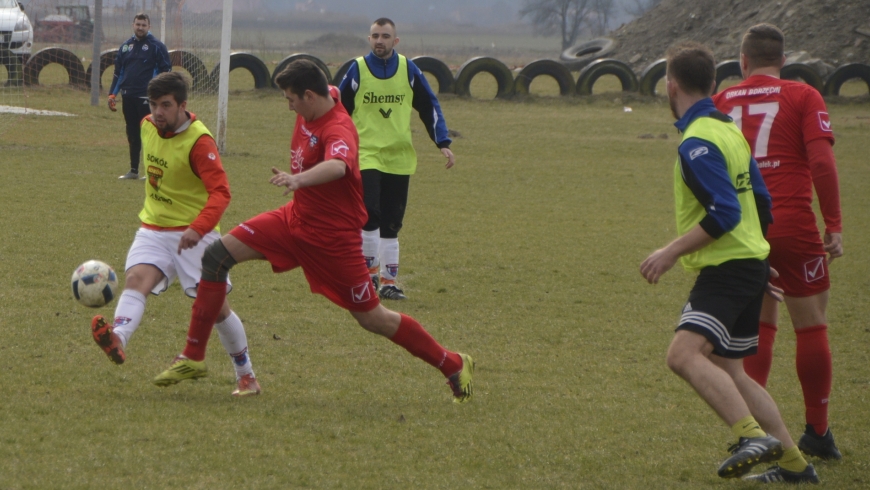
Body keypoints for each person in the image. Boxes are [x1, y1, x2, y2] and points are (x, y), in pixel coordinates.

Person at [151, 60, 474, 404]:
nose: (288, 105)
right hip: (294, 220)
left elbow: (337, 165)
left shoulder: (338, 129)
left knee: (373, 318)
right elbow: (328, 88)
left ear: (308, 95)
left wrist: (298, 180)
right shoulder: (324, 97)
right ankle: (193, 356)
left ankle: (452, 363)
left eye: (291, 99)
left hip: (332, 240)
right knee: (216, 257)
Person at [640, 41, 818, 483]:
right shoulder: (728, 131)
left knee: (683, 355)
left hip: (727, 267)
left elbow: (726, 211)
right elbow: (761, 198)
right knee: (729, 369)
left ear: (671, 85)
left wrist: (670, 251)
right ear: (714, 84)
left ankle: (750, 437)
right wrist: (761, 257)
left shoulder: (698, 140)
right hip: (746, 263)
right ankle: (795, 464)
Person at [712, 23, 843, 462]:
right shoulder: (804, 95)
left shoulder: (722, 100)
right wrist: (835, 224)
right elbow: (822, 161)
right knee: (811, 324)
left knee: (758, 326)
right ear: (784, 61)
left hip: (743, 227)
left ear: (742, 62)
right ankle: (818, 432)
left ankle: (759, 432)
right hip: (792, 224)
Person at [92, 71, 261, 397]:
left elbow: (221, 194)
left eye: (166, 105)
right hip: (154, 228)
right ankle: (117, 338)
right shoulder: (146, 125)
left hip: (194, 234)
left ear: (183, 105)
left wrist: (198, 229)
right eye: (154, 104)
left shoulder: (200, 142)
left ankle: (246, 375)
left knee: (216, 308)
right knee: (136, 281)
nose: (158, 112)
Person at [338, 17, 455, 300]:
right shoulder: (357, 69)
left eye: (386, 36)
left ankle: (389, 283)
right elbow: (337, 110)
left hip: (400, 157)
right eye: (375, 36)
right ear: (369, 39)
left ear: (396, 40)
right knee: (369, 214)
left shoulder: (409, 69)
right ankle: (368, 280)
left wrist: (442, 142)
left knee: (392, 221)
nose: (380, 41)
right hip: (366, 155)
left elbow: (429, 105)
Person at [108, 13, 171, 180]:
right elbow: (118, 73)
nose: (140, 27)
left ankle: (153, 172)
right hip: (128, 96)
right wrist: (112, 93)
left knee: (150, 134)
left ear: (149, 27)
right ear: (133, 25)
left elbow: (166, 71)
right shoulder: (125, 47)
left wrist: (160, 95)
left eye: (144, 25)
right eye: (138, 24)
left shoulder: (156, 46)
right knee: (132, 132)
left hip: (147, 98)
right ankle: (134, 171)